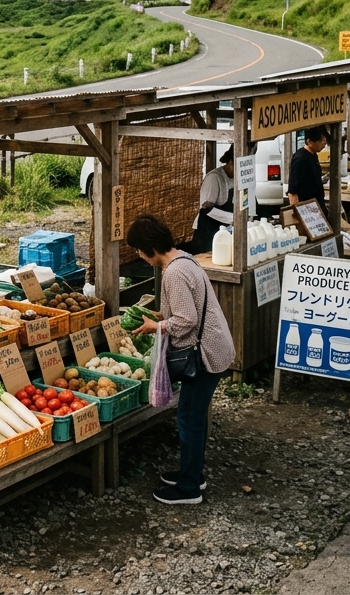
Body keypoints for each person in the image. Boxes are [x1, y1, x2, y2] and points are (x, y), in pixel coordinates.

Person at [126, 214, 235, 505]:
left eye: (138, 249)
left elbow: (186, 319)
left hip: (205, 356)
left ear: (150, 247)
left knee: (189, 418)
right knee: (192, 416)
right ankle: (192, 473)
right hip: (214, 347)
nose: (139, 256)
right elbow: (185, 308)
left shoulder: (173, 273)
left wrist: (156, 326)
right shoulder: (184, 259)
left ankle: (189, 489)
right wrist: (161, 316)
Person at [191, 148, 235, 254]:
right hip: (206, 230)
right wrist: (234, 219)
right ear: (230, 162)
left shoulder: (238, 178)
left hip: (224, 229)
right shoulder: (214, 178)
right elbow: (206, 209)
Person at [288, 125, 330, 222]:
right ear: (309, 141)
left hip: (317, 206)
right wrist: (296, 212)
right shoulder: (300, 159)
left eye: (324, 140)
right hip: (306, 209)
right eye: (320, 141)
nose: (324, 143)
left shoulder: (313, 155)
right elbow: (293, 189)